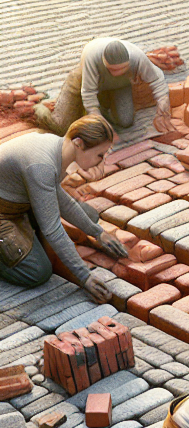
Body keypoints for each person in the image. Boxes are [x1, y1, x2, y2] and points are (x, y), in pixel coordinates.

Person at [0, 115, 125, 300]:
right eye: (100, 154)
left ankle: (30, 231)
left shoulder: (57, 147)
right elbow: (53, 229)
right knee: (37, 272)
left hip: (20, 201)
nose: (101, 161)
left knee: (89, 216)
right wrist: (85, 276)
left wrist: (97, 232)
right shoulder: (42, 165)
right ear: (79, 143)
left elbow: (61, 200)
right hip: (5, 212)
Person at [35, 38, 174, 136]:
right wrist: (98, 119)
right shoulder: (92, 58)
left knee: (125, 121)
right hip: (83, 82)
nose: (116, 73)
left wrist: (163, 106)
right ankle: (39, 106)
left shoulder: (137, 57)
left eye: (122, 69)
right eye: (112, 70)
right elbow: (88, 93)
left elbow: (158, 80)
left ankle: (101, 106)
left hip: (119, 86)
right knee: (61, 128)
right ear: (104, 62)